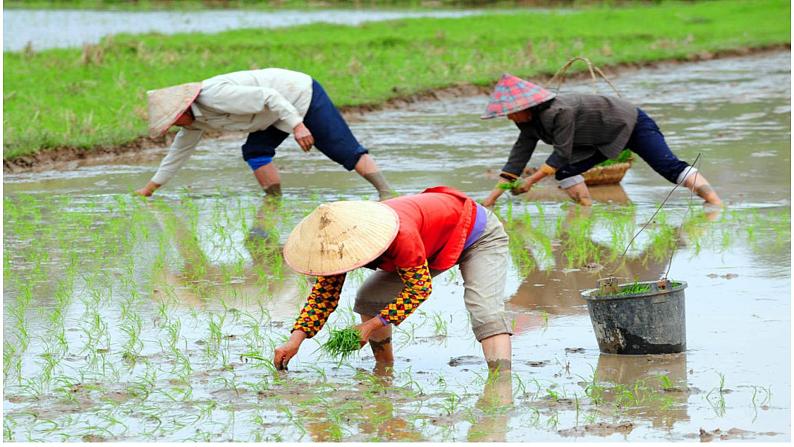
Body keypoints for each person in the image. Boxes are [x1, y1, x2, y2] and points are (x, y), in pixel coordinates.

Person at [272, 186, 513, 373]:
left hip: (478, 234)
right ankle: (385, 369)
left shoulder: (397, 234)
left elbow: (419, 289)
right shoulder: (336, 246)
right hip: (433, 242)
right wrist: (294, 341)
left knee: (484, 310)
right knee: (370, 298)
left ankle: (501, 384)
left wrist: (369, 327)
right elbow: (324, 296)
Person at [136, 68, 395, 200]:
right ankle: (274, 202)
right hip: (271, 113)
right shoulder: (194, 123)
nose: (174, 126)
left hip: (299, 94)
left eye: (173, 120)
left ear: (181, 108)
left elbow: (270, 96)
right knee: (255, 151)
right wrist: (148, 190)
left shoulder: (214, 96)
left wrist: (297, 125)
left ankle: (386, 192)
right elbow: (177, 154)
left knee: (341, 150)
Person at [480, 74, 722, 207]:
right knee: (565, 172)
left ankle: (714, 202)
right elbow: (517, 159)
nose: (509, 116)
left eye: (511, 111)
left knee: (668, 167)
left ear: (527, 106)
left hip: (631, 123)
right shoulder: (527, 123)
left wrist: (530, 182)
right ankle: (586, 210)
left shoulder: (558, 112)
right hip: (600, 140)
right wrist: (490, 200)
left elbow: (561, 154)